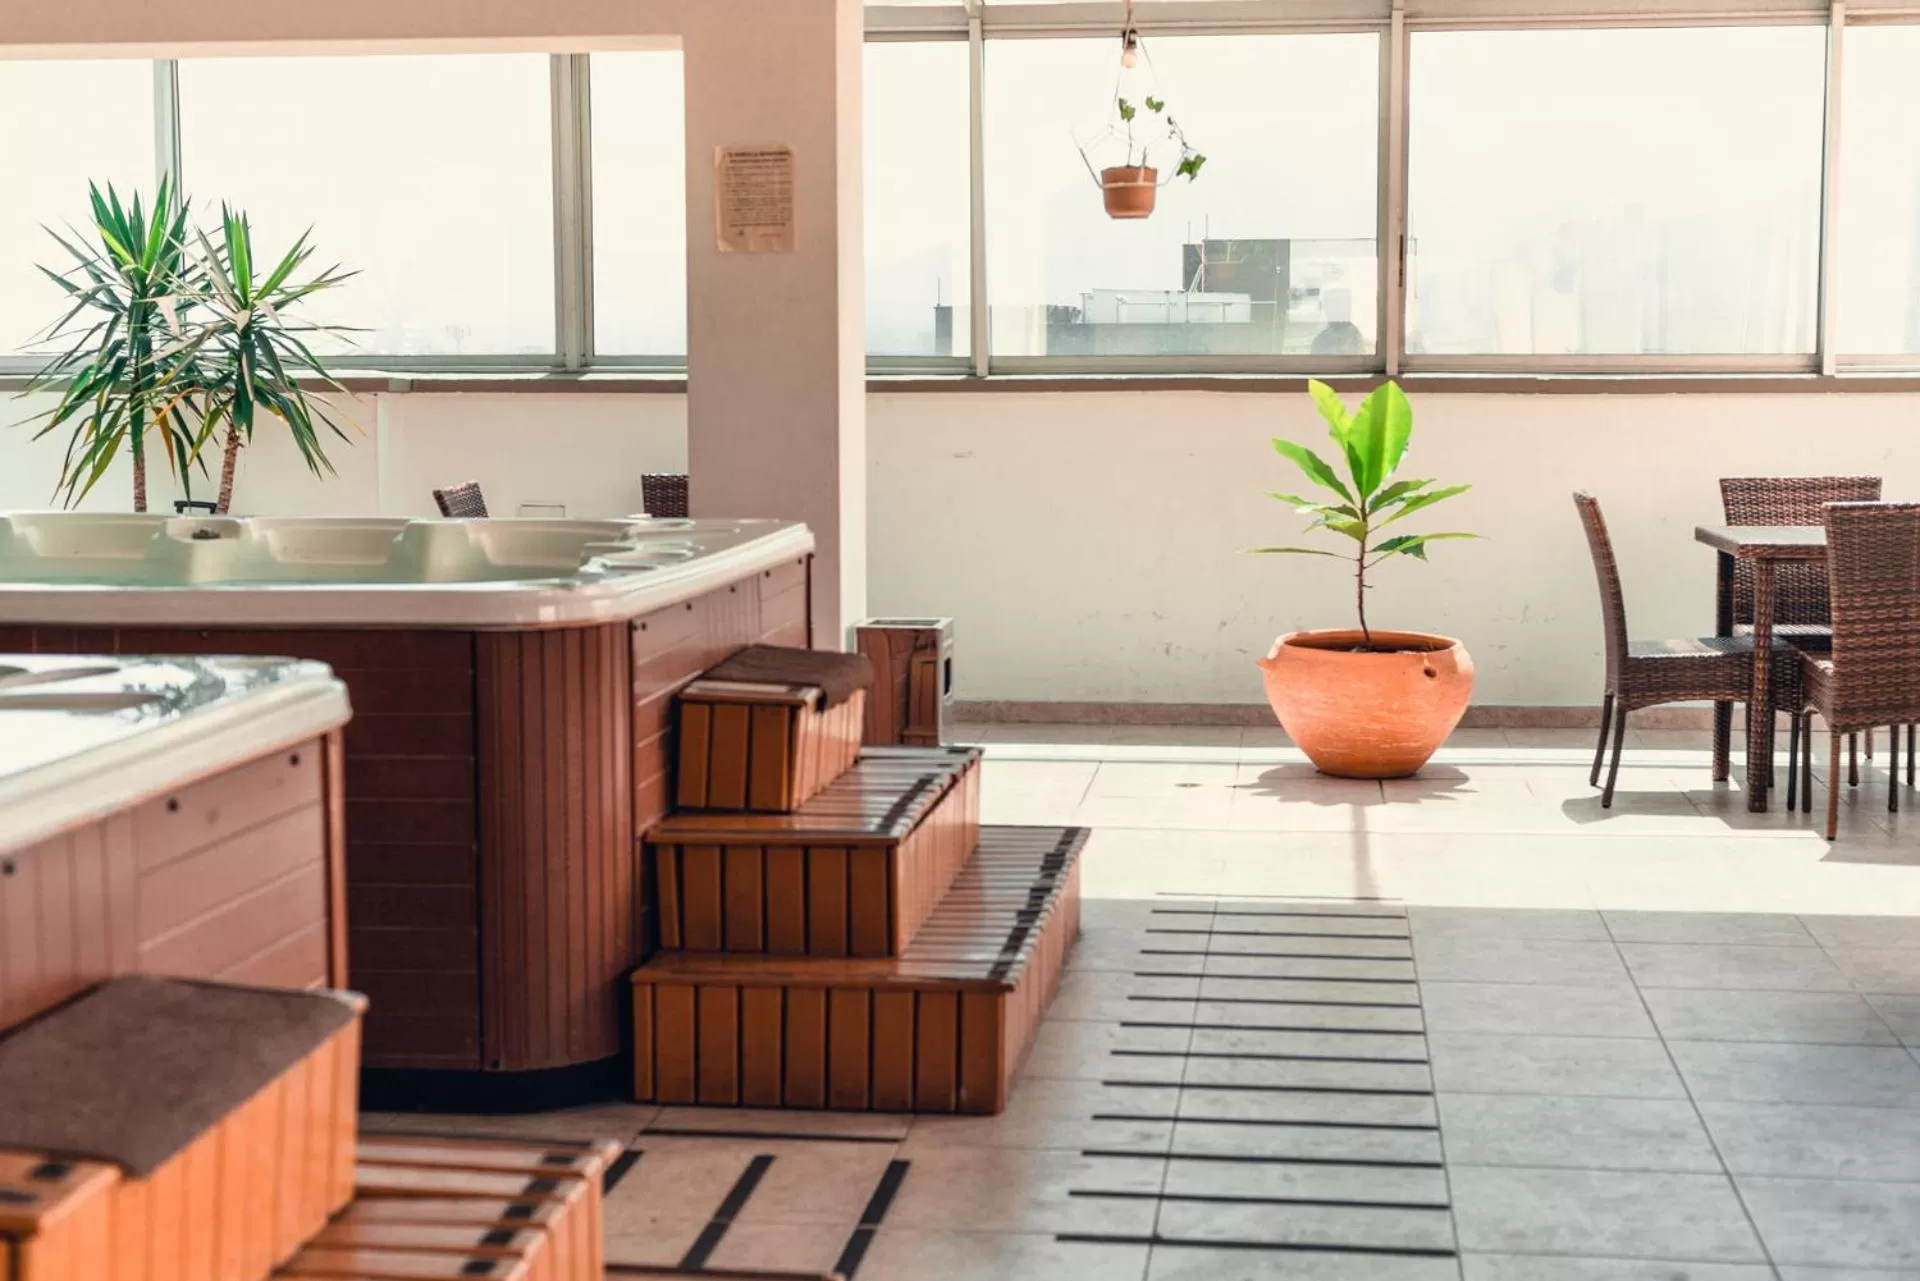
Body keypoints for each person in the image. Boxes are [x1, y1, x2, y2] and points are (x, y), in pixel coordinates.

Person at [1311, 286, 1365, 356]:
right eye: (1328, 304)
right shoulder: (1320, 340)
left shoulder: (1354, 337)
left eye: (1336, 304)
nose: (1330, 309)